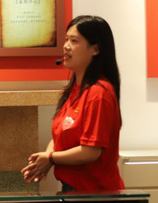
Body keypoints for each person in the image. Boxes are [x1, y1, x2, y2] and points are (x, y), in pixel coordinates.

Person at [21, 15, 125, 192]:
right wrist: (48, 156)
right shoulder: (74, 90)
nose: (66, 46)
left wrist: (51, 158)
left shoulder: (98, 93)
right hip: (73, 191)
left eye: (74, 41)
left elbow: (90, 152)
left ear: (95, 49)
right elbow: (60, 135)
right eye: (66, 39)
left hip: (96, 196)